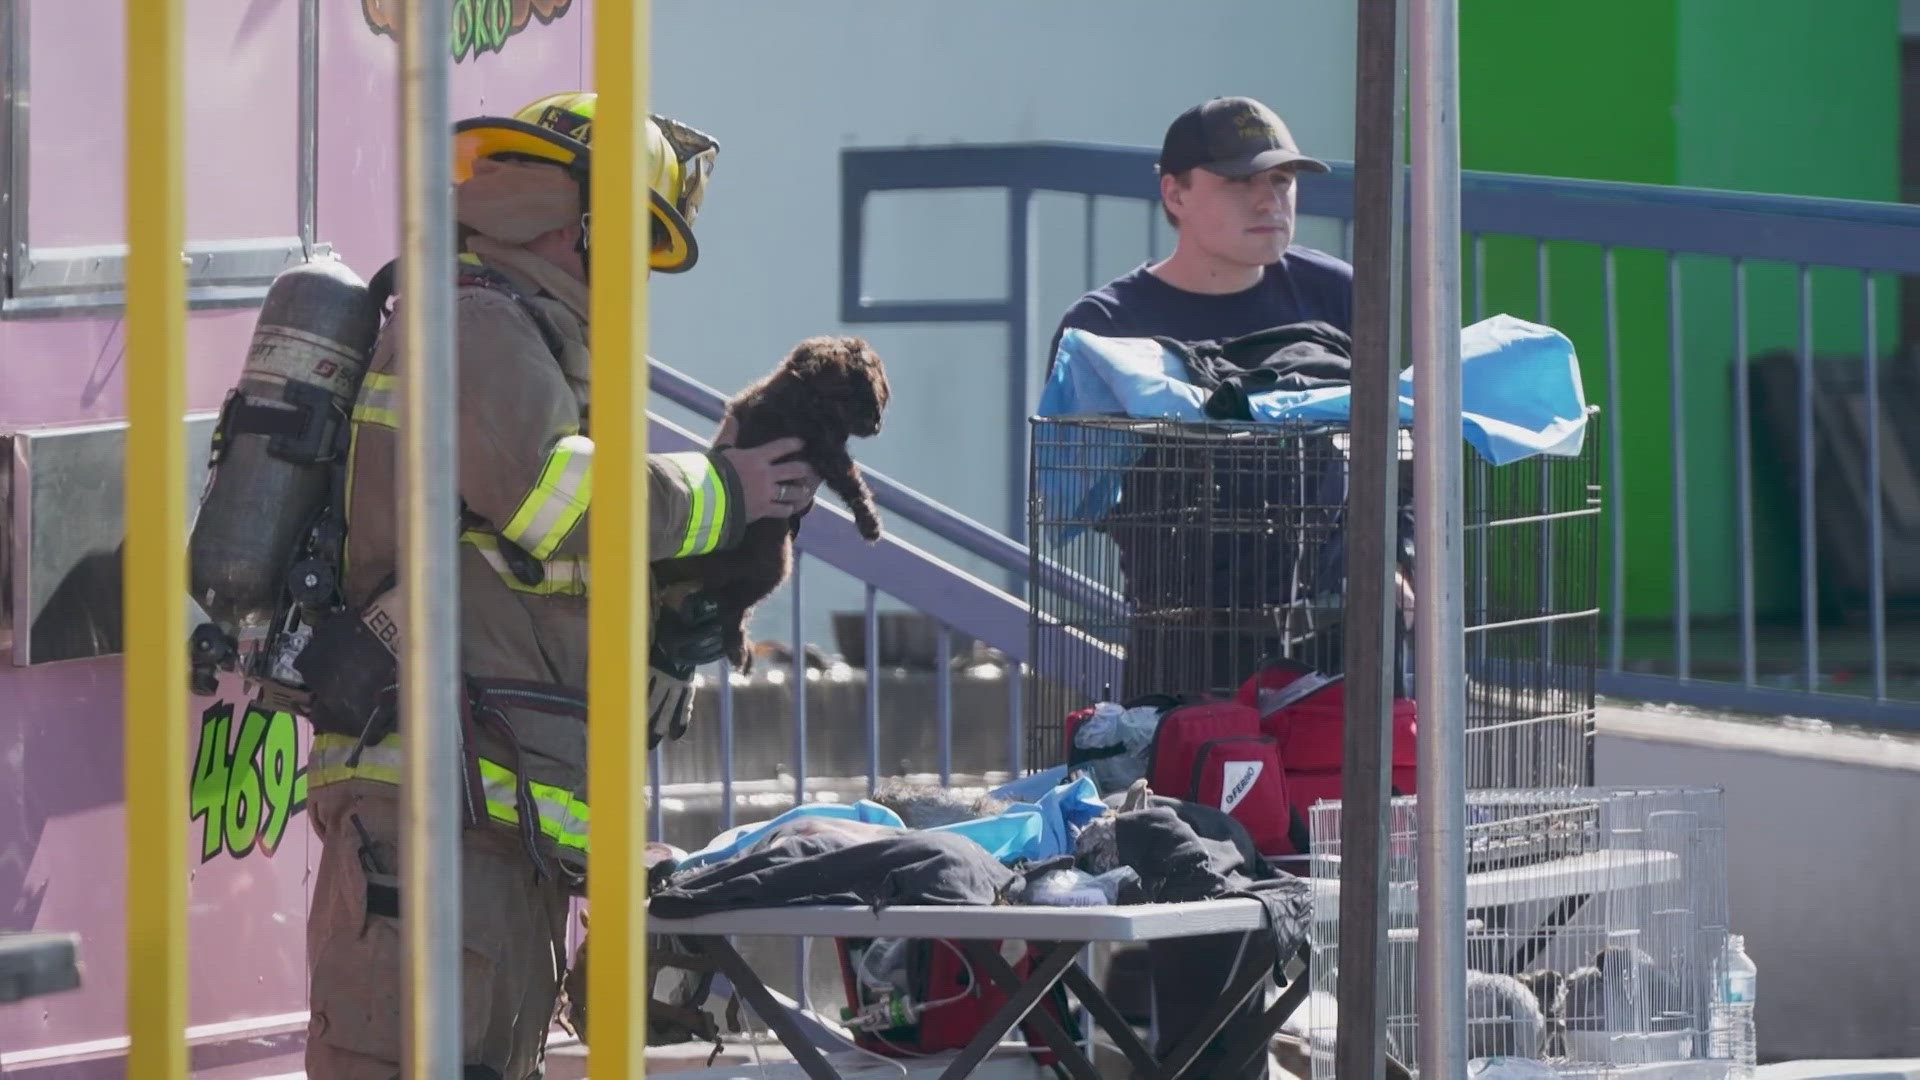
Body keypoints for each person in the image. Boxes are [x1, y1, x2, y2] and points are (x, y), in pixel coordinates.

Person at [299, 92, 819, 1079]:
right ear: (580, 226)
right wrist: (724, 491)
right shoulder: (477, 324)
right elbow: (551, 498)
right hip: (435, 812)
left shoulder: (519, 334)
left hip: (493, 817)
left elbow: (526, 573)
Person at [1046, 96, 1354, 1080]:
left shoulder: (1340, 298)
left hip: (1336, 643)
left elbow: (1407, 444)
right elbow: (1075, 492)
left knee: (1338, 881)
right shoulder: (1109, 326)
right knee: (1200, 895)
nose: (1273, 200)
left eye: (1284, 182)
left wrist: (1392, 554)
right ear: (1175, 195)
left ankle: (1314, 1048)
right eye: (1243, 181)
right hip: (1186, 651)